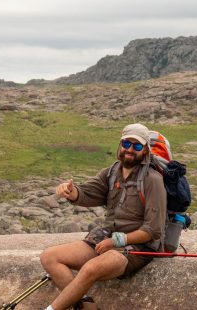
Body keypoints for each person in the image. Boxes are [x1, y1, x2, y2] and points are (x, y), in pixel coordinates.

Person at [40, 123, 167, 310]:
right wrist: (71, 191)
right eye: (126, 144)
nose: (130, 149)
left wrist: (117, 240)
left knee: (91, 268)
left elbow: (153, 230)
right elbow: (89, 193)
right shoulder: (111, 173)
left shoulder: (152, 180)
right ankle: (87, 308)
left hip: (137, 247)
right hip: (108, 237)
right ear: (120, 145)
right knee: (50, 257)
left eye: (137, 146)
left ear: (145, 150)